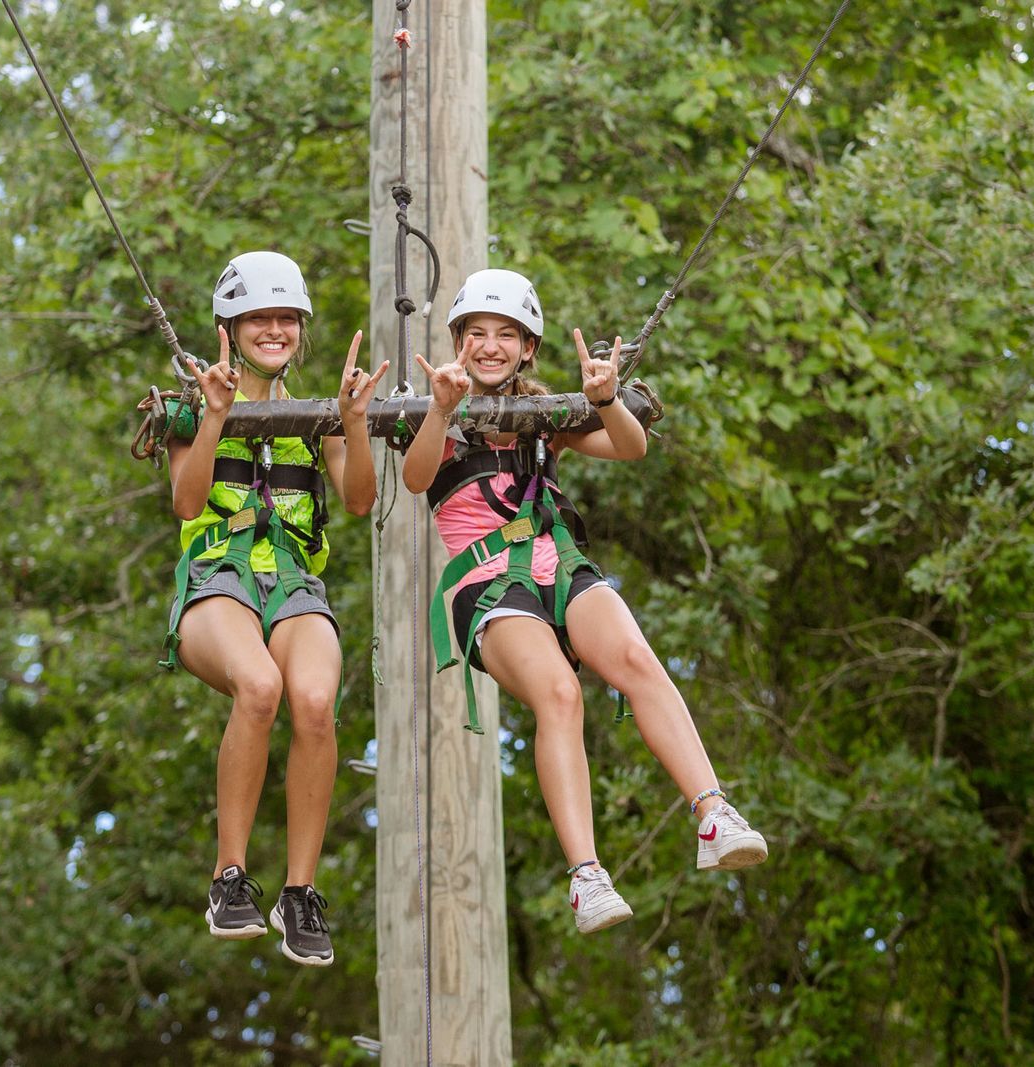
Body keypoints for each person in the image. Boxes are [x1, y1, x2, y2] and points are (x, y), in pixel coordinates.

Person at [402, 268, 767, 934]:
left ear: (528, 347)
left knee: (634, 654)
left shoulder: (546, 417)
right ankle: (586, 875)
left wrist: (604, 399)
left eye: (505, 335)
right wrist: (438, 408)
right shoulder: (439, 409)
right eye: (477, 333)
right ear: (458, 341)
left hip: (556, 561)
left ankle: (711, 810)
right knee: (561, 694)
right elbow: (416, 476)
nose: (490, 346)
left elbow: (630, 447)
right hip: (488, 579)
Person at [163, 251, 388, 965]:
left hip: (291, 581)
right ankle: (230, 877)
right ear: (228, 327)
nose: (275, 329)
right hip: (217, 577)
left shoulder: (316, 414)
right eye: (259, 317)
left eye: (286, 318)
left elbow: (358, 500)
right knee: (260, 687)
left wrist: (353, 422)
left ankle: (300, 892)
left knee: (316, 701)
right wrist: (214, 420)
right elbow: (187, 501)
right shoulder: (190, 404)